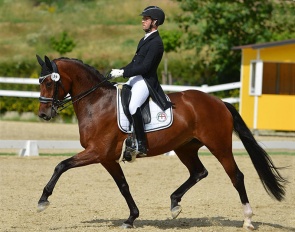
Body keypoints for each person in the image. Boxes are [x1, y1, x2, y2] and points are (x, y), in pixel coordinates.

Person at [110, 6, 173, 156]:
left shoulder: (156, 43)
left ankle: (141, 144)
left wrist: (124, 72)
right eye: (143, 18)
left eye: (146, 19)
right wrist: (120, 71)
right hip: (136, 78)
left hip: (146, 80)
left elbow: (145, 67)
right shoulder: (144, 39)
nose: (142, 21)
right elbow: (135, 63)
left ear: (155, 22)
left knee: (133, 107)